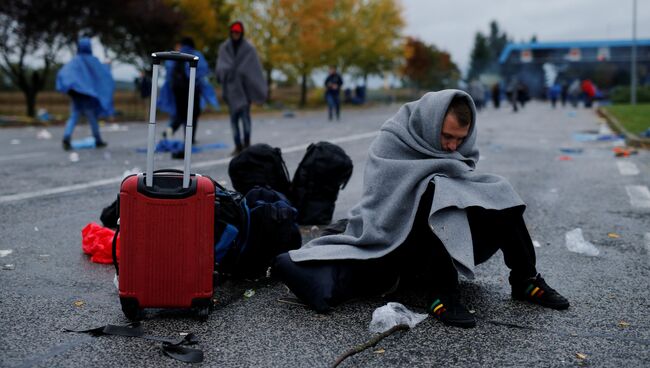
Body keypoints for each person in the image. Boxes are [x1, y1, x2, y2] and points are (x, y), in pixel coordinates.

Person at [274, 90, 569, 328]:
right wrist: (440, 185)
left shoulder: (454, 150)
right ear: (430, 124)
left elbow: (465, 183)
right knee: (436, 192)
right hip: (396, 239)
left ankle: (525, 279)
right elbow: (383, 203)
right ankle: (442, 293)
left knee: (499, 189)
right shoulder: (393, 140)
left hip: (445, 239)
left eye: (460, 140)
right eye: (447, 137)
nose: (453, 148)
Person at [216, 21, 267, 156]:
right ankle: (238, 146)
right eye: (233, 32)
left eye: (237, 32)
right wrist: (227, 71)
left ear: (241, 33)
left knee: (245, 120)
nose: (235, 34)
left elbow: (254, 70)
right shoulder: (224, 48)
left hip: (245, 92)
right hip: (231, 90)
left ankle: (247, 145)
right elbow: (221, 66)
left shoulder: (249, 49)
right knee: (233, 121)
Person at [56, 37, 114, 150]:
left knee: (74, 116)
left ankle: (66, 137)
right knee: (92, 118)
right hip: (87, 96)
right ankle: (97, 140)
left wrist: (69, 87)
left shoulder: (74, 61)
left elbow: (63, 74)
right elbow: (103, 74)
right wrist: (108, 65)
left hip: (76, 95)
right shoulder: (93, 61)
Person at [158, 37, 218, 144]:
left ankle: (170, 130)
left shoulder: (176, 55)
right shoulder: (196, 54)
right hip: (192, 90)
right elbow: (203, 71)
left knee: (180, 114)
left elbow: (169, 73)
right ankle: (190, 138)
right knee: (192, 114)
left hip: (177, 91)